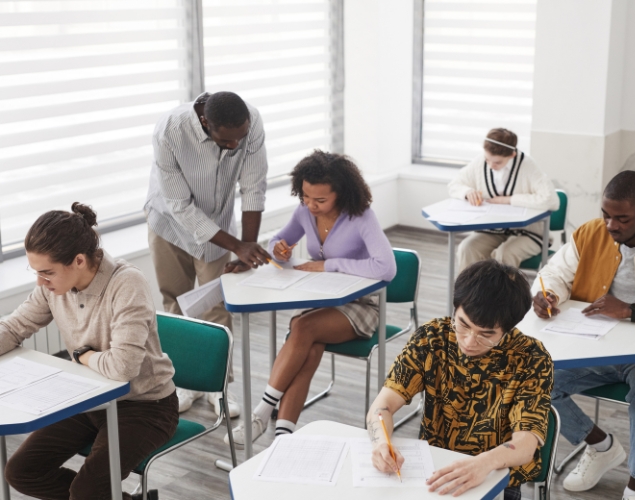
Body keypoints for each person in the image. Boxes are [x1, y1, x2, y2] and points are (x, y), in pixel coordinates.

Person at [533, 171, 635, 500]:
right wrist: (548, 293)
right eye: (606, 216)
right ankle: (601, 445)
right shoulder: (590, 234)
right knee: (536, 379)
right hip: (594, 346)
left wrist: (634, 311)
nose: (611, 226)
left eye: (622, 218)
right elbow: (553, 273)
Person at [1, 203, 178, 500]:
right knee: (22, 471)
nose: (40, 282)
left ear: (79, 260)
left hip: (145, 406)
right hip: (88, 398)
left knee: (87, 491)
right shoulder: (51, 287)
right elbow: (16, 326)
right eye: (36, 272)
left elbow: (124, 367)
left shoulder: (126, 283)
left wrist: (83, 356)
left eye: (47, 273)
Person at [229, 150, 397, 448]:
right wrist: (280, 250)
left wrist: (328, 264)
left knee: (302, 328)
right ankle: (283, 436)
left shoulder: (361, 217)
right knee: (311, 345)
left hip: (360, 305)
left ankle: (260, 413)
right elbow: (276, 242)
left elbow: (386, 268)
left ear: (341, 194)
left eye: (320, 200)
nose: (311, 205)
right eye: (306, 196)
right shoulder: (304, 212)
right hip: (324, 300)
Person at [367, 260, 553, 500]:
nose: (469, 341)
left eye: (486, 335)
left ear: (508, 329)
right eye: (463, 324)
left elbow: (526, 443)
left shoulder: (531, 358)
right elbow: (382, 407)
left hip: (496, 477)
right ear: (455, 308)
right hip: (433, 470)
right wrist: (381, 443)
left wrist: (483, 464)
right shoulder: (431, 338)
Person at [146, 90, 273, 417]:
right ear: (205, 122)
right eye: (226, 141)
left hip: (218, 224)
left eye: (239, 139)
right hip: (168, 223)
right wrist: (238, 246)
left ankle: (219, 387)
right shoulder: (170, 131)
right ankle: (184, 382)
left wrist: (246, 247)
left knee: (216, 305)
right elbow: (179, 206)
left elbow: (253, 187)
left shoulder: (250, 123)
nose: (234, 146)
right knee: (175, 303)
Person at [448, 128, 559, 271]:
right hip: (492, 231)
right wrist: (467, 191)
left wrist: (509, 200)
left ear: (512, 155)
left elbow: (552, 201)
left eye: (497, 162)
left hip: (529, 234)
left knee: (503, 255)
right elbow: (454, 185)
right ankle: (471, 293)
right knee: (467, 248)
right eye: (487, 159)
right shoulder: (480, 161)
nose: (490, 166)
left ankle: (500, 294)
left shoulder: (528, 166)